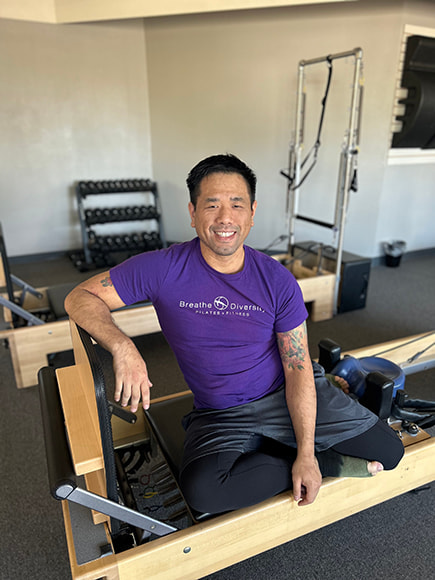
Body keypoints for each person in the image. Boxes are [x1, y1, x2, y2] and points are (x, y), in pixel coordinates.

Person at [65, 153, 404, 514]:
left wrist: (306, 452)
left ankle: (310, 437)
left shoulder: (277, 280)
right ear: (193, 213)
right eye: (212, 205)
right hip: (221, 412)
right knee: (203, 492)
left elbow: (297, 367)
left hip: (283, 392)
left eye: (237, 205)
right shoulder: (161, 268)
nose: (225, 218)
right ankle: (329, 461)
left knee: (389, 452)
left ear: (252, 213)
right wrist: (123, 346)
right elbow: (79, 297)